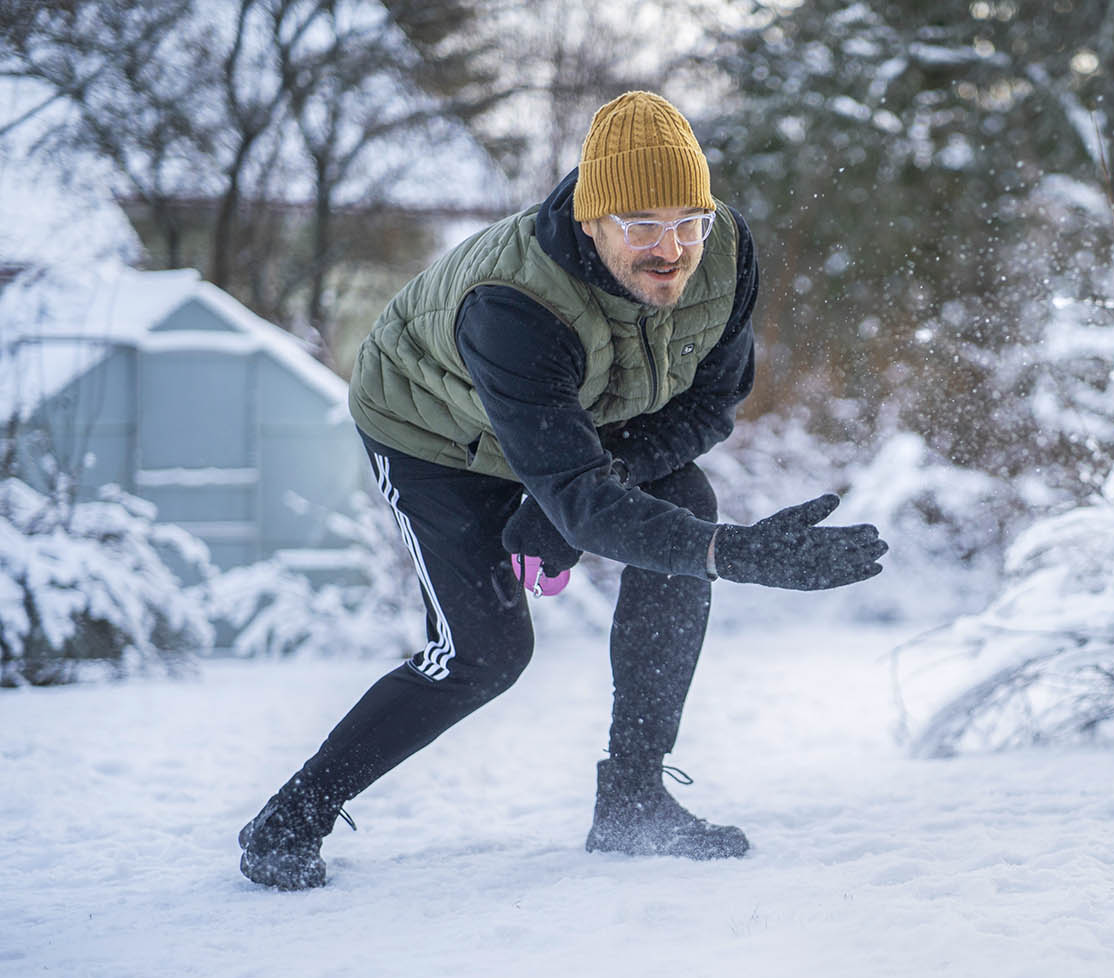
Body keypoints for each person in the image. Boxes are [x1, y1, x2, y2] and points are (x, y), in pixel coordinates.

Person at [237, 91, 888, 890]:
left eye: (690, 220)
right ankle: (292, 816)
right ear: (591, 220)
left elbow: (711, 402)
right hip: (437, 437)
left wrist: (578, 501)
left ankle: (632, 800)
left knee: (686, 507)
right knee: (486, 652)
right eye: (641, 224)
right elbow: (579, 492)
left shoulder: (726, 254)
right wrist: (727, 554)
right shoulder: (514, 305)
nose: (672, 249)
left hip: (579, 428)